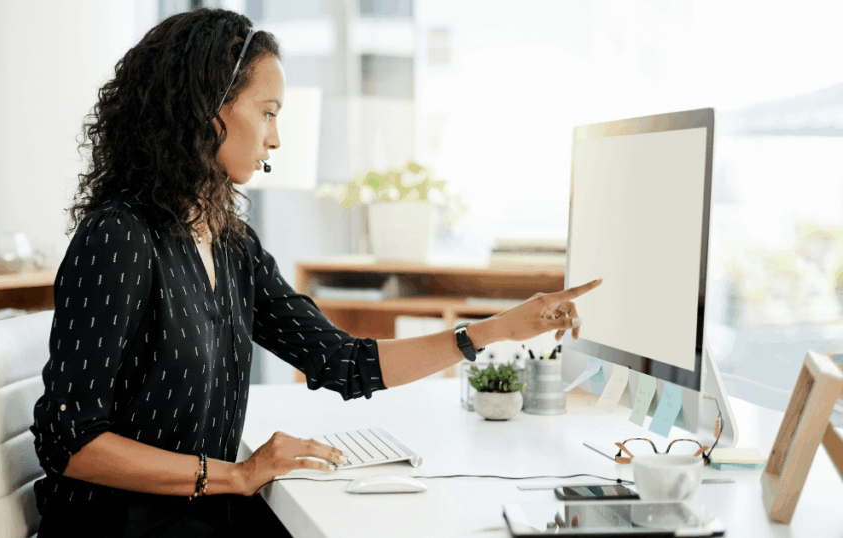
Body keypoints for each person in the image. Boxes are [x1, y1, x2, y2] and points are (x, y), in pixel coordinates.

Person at [29, 8, 602, 537]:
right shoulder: (121, 236)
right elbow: (68, 442)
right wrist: (235, 475)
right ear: (208, 112)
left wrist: (495, 329)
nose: (276, 137)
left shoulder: (232, 246)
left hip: (203, 518)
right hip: (121, 527)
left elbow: (342, 361)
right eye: (268, 112)